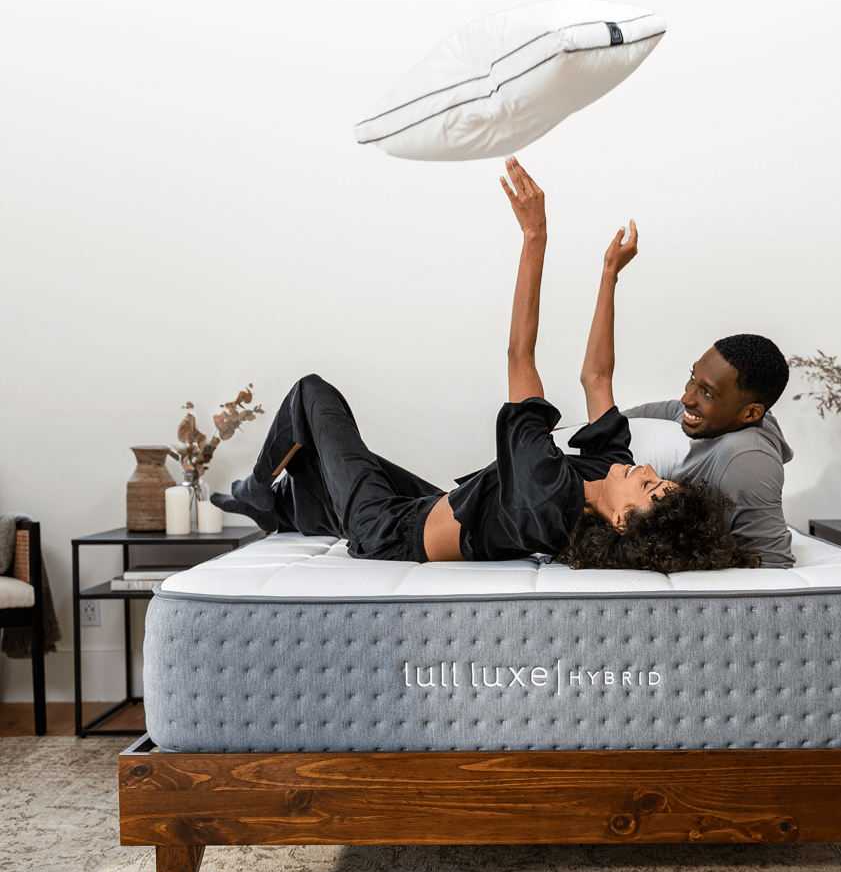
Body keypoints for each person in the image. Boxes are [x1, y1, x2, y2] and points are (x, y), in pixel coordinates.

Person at [213, 160, 757, 573]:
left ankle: (260, 491)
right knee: (314, 469)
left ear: (621, 520)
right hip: (432, 503)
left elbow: (520, 356)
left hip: (389, 532)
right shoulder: (602, 472)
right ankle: (277, 506)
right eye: (660, 481)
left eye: (651, 490)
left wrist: (534, 237)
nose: (647, 473)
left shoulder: (548, 495)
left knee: (312, 395)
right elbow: (597, 379)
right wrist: (609, 274)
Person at [624, 335, 795, 569]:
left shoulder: (747, 459)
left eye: (707, 393)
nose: (687, 397)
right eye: (693, 377)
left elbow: (772, 565)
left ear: (751, 414)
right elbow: (671, 410)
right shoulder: (723, 417)